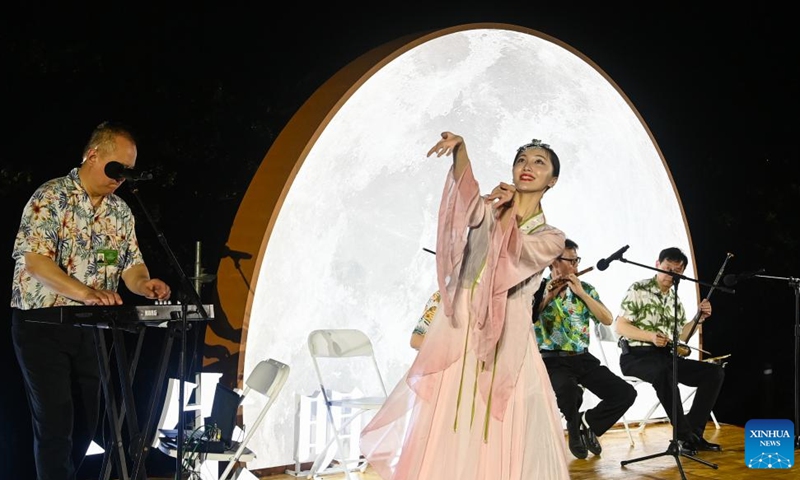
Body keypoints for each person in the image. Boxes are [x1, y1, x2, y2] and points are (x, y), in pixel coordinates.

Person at [361, 132, 570, 479]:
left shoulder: (551, 237)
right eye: (521, 160)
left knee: (500, 420)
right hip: (460, 327)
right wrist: (461, 153)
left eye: (539, 162)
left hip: (508, 337)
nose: (527, 167)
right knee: (449, 417)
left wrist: (508, 216)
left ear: (553, 180)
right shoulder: (490, 208)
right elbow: (466, 204)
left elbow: (516, 256)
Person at [10, 121, 172, 480]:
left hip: (92, 327)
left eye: (127, 172)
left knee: (89, 421)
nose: (121, 178)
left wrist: (146, 285)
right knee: (56, 423)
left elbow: (130, 265)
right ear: (93, 155)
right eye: (117, 168)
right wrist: (86, 293)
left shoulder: (120, 212)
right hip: (42, 324)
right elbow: (35, 261)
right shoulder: (51, 197)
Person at [614, 246, 724, 454]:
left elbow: (680, 337)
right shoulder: (638, 289)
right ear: (657, 265)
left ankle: (694, 434)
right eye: (667, 268)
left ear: (682, 273)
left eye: (676, 271)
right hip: (636, 357)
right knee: (665, 372)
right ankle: (683, 436)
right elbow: (621, 326)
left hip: (664, 357)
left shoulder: (675, 300)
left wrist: (698, 319)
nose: (670, 274)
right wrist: (650, 337)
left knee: (714, 373)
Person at [533, 238, 637, 459]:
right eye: (571, 261)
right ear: (554, 262)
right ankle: (572, 426)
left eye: (577, 261)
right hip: (551, 359)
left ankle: (587, 423)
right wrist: (548, 298)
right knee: (569, 390)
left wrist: (582, 293)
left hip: (583, 358)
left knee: (625, 393)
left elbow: (607, 319)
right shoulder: (537, 287)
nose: (575, 267)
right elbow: (526, 319)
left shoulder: (585, 288)